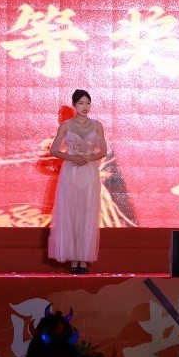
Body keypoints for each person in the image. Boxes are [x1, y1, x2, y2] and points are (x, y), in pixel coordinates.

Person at [48, 89, 107, 275]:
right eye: (81, 103)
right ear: (74, 105)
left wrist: (87, 158)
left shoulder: (97, 125)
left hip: (89, 172)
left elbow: (103, 151)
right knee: (71, 212)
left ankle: (83, 259)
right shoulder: (66, 126)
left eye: (87, 103)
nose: (85, 107)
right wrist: (72, 157)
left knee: (87, 213)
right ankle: (74, 258)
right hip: (71, 172)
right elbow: (54, 150)